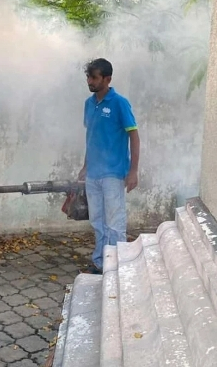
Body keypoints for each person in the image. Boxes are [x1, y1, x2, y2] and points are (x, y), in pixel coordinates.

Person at [77, 58, 140, 275]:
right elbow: (91, 137)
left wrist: (133, 171)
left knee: (114, 222)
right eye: (88, 77)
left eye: (94, 77)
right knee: (97, 221)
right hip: (93, 173)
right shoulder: (89, 104)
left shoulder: (120, 103)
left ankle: (117, 267)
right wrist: (85, 166)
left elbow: (134, 136)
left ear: (107, 79)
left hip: (114, 172)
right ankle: (100, 263)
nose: (90, 81)